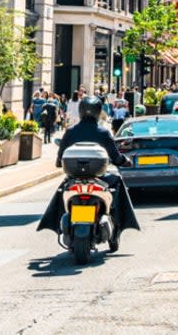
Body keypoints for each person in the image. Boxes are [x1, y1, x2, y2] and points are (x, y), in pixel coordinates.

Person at [36, 96, 140, 247]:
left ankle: (58, 224)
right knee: (117, 182)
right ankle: (116, 226)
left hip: (74, 178)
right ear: (98, 112)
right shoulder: (103, 132)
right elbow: (116, 157)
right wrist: (126, 161)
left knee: (61, 191)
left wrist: (60, 162)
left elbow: (60, 159)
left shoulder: (70, 132)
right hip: (100, 177)